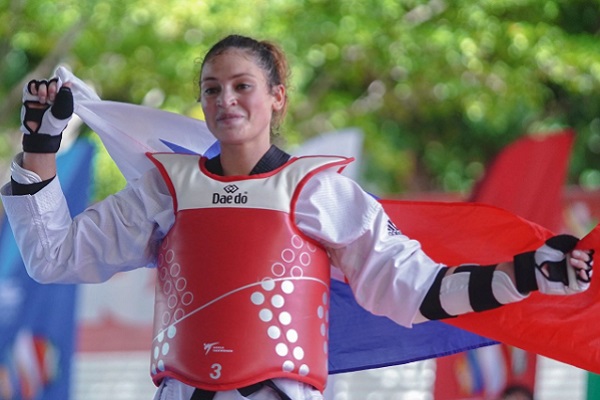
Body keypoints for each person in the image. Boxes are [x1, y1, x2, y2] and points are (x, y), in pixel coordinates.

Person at [0, 34, 593, 400]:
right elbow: (54, 257)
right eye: (211, 89)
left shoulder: (319, 192)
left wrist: (527, 275)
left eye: (242, 85)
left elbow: (414, 291)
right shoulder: (165, 189)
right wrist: (40, 145)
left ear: (277, 96)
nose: (225, 100)